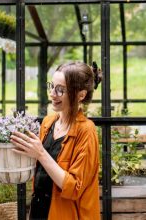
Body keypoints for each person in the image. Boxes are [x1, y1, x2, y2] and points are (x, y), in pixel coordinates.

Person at [10, 61, 102, 220]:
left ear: (81, 95)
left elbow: (74, 188)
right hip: (39, 211)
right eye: (51, 86)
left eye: (61, 90)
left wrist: (40, 153)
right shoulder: (48, 122)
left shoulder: (86, 131)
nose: (52, 93)